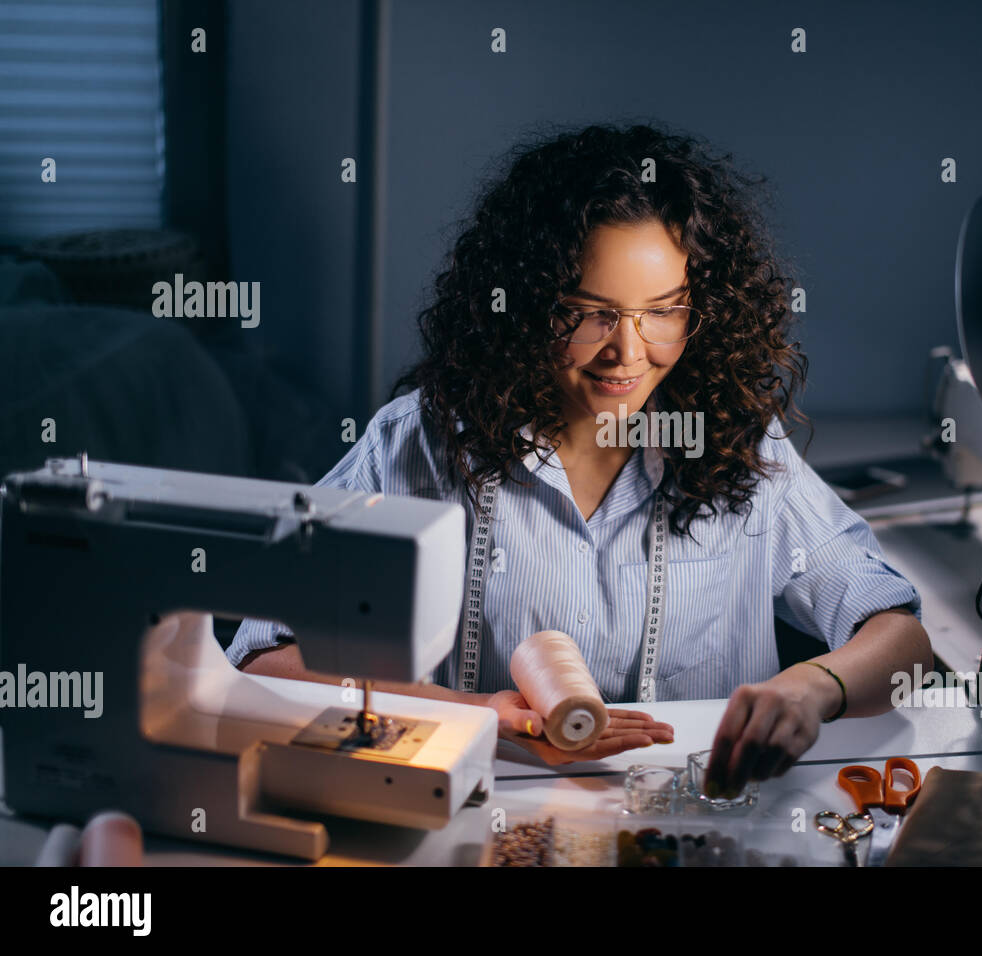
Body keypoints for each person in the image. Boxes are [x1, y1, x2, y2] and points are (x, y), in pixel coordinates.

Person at [226, 122, 930, 795]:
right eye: (589, 312)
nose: (627, 351)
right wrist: (460, 709)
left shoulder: (742, 447)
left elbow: (898, 636)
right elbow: (263, 655)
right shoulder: (418, 447)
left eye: (663, 310)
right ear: (527, 304)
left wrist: (814, 687)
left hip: (702, 824)